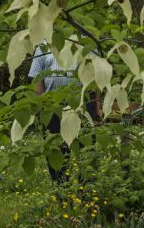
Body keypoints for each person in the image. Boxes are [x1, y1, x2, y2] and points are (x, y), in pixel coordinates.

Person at [29, 46, 100, 183]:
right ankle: (61, 190)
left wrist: (96, 104)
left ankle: (89, 192)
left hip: (82, 104)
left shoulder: (86, 43)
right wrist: (42, 105)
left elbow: (96, 76)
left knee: (86, 149)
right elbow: (37, 78)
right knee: (55, 149)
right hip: (53, 107)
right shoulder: (44, 45)